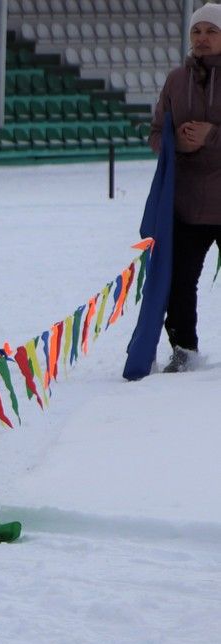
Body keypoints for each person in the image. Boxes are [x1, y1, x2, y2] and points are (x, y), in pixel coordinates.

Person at [151, 2, 221, 373]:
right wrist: (175, 141)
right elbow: (154, 135)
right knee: (178, 282)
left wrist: (212, 137)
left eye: (211, 31)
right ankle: (184, 351)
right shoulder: (176, 80)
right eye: (197, 31)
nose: (202, 38)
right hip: (186, 205)